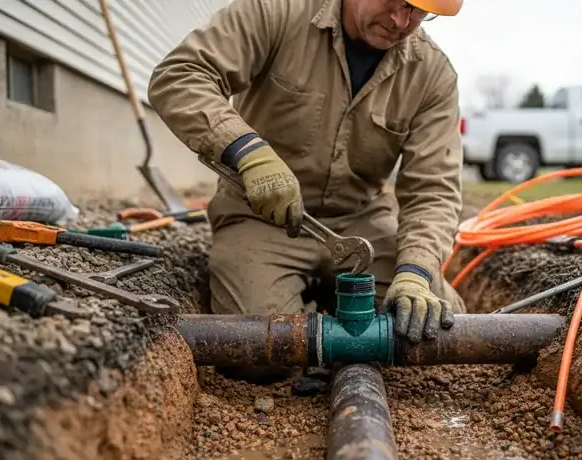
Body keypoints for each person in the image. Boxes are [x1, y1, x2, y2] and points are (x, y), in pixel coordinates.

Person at [147, 0, 466, 383]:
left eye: (418, 11)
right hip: (260, 216)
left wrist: (415, 272)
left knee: (432, 324)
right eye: (393, 1)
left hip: (360, 223)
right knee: (260, 355)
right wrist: (247, 151)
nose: (401, 21)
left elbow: (434, 189)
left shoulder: (432, 73)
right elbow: (180, 75)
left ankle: (338, 302)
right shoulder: (277, 11)